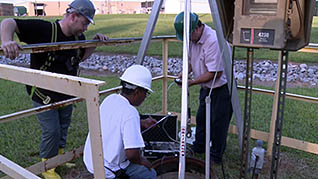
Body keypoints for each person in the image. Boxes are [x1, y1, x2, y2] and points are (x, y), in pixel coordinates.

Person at [0, 0, 108, 178]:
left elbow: (79, 57)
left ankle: (59, 157)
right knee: (52, 130)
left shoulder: (77, 38)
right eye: (85, 22)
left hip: (66, 93)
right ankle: (47, 165)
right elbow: (9, 23)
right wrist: (7, 41)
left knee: (63, 126)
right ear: (73, 16)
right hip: (43, 95)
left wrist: (94, 43)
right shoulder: (44, 30)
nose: (86, 28)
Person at [174, 12, 233, 164]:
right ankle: (199, 147)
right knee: (201, 118)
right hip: (206, 87)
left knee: (218, 123)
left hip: (222, 88)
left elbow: (215, 73)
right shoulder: (193, 40)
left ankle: (215, 156)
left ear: (197, 28)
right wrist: (184, 73)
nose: (188, 40)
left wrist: (191, 82)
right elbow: (192, 62)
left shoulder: (213, 41)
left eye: (188, 35)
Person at [83, 65, 157, 179]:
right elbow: (132, 154)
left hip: (91, 160)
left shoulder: (110, 99)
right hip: (108, 170)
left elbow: (116, 120)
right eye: (145, 93)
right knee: (150, 174)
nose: (145, 97)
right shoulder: (130, 112)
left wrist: (141, 123)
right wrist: (143, 161)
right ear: (137, 92)